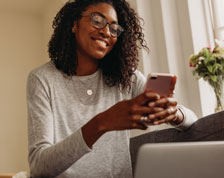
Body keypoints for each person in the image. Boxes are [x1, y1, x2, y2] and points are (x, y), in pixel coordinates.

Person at [26, 0, 197, 177]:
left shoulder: (126, 78)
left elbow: (192, 121)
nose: (106, 32)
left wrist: (175, 114)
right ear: (74, 24)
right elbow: (39, 167)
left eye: (114, 28)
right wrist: (102, 123)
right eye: (97, 20)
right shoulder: (42, 79)